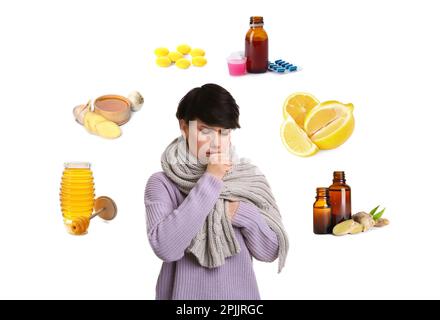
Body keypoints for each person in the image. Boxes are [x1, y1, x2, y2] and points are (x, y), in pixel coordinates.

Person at [144, 83, 288, 300]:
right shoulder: (162, 183)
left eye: (224, 132)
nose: (216, 142)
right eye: (205, 130)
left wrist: (237, 211)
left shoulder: (248, 179)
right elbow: (166, 248)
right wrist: (211, 179)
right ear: (184, 128)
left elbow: (269, 251)